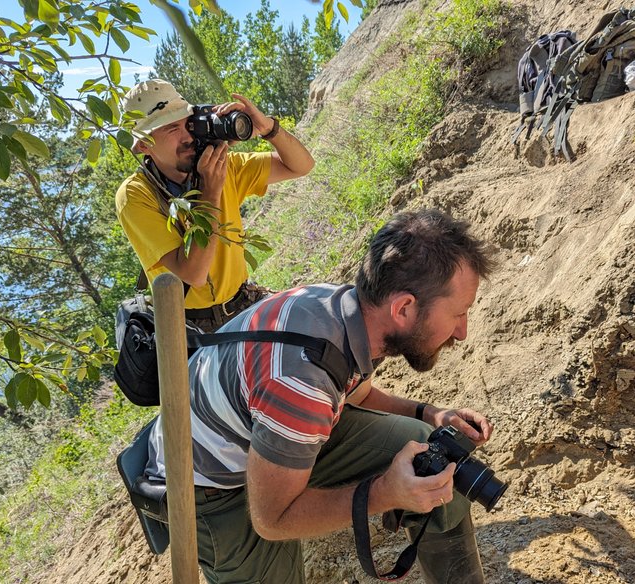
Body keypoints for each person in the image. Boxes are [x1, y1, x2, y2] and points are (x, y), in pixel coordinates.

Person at [145, 208, 498, 584]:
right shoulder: (301, 383)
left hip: (273, 431)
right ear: (404, 308)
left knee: (437, 463)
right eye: (458, 313)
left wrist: (428, 414)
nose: (461, 332)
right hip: (211, 483)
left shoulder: (344, 312)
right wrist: (386, 493)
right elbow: (273, 518)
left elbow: (353, 390)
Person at [116, 79, 315, 331]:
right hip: (191, 327)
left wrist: (268, 128)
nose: (187, 136)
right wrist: (211, 191)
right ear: (144, 144)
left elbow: (301, 166)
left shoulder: (223, 167)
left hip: (242, 303)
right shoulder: (135, 195)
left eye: (188, 123)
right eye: (171, 129)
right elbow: (194, 274)